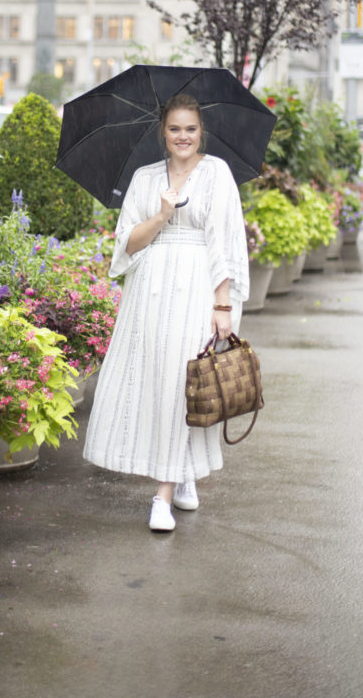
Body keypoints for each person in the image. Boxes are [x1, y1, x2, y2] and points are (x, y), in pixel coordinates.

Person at [83, 93, 249, 532]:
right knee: (160, 385)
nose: (183, 137)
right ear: (163, 132)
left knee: (185, 382)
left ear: (201, 132)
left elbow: (226, 243)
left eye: (190, 129)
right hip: (150, 295)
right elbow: (128, 244)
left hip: (198, 291)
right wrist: (161, 215)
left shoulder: (216, 174)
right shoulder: (145, 178)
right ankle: (184, 473)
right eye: (175, 128)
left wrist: (222, 305)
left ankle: (162, 496)